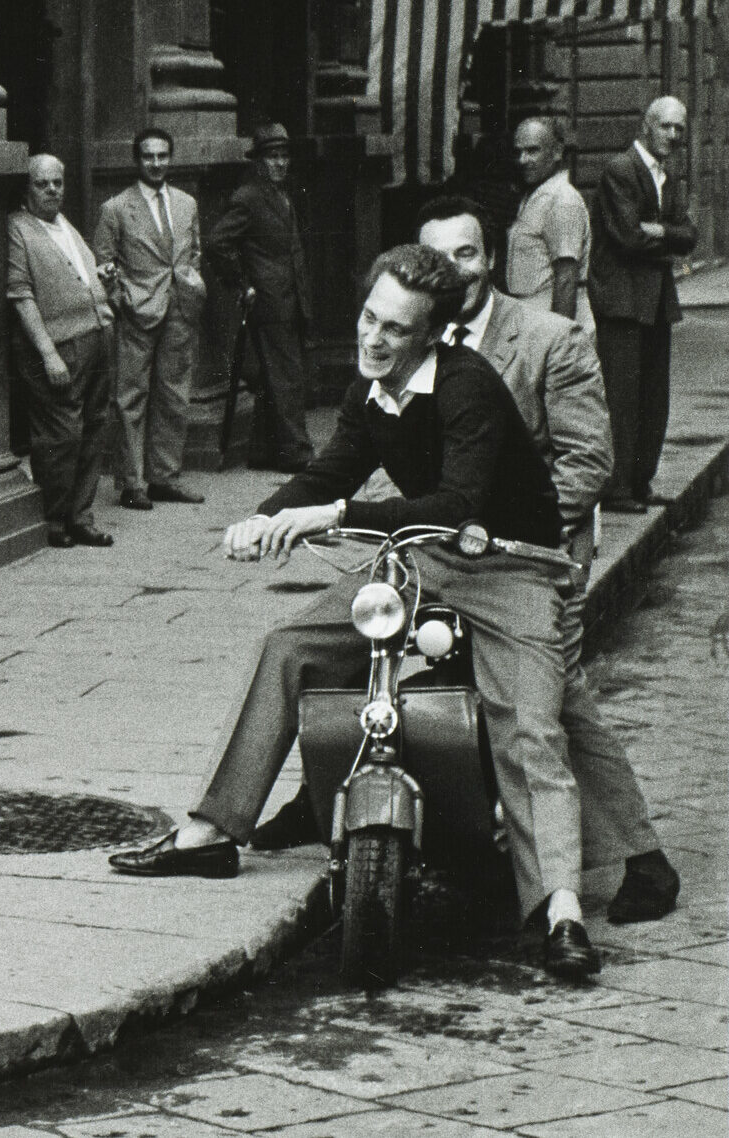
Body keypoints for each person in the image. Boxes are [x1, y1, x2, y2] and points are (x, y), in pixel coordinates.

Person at [109, 244, 604, 981]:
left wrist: (331, 515)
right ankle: (212, 829)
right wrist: (265, 517)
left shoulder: (467, 386)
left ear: (431, 335)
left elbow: (456, 503)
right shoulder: (369, 390)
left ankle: (560, 910)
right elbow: (330, 468)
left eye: (395, 330)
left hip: (510, 566)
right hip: (422, 559)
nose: (374, 338)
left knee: (531, 726)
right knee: (290, 645)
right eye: (370, 319)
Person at [414, 198, 678, 923]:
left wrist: (500, 532)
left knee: (554, 697)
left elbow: (588, 461)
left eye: (466, 255)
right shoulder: (419, 339)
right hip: (456, 551)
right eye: (437, 259)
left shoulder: (548, 337)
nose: (453, 272)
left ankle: (642, 861)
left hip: (539, 552)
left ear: (490, 258)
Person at [585, 95, 695, 514]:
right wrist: (670, 238)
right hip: (623, 301)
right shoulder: (620, 169)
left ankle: (640, 483)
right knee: (622, 397)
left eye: (679, 129)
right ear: (646, 126)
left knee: (654, 397)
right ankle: (616, 490)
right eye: (665, 126)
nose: (673, 135)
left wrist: (661, 233)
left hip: (655, 301)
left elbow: (690, 237)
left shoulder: (669, 176)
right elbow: (628, 236)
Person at [6, 155, 117, 550]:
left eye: (57, 182)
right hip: (59, 346)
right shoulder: (20, 227)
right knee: (60, 435)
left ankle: (80, 516)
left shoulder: (63, 223)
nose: (52, 190)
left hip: (97, 335)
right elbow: (21, 296)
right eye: (42, 184)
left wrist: (99, 279)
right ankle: (54, 519)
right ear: (27, 189)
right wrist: (48, 352)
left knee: (93, 427)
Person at [94, 127, 209, 510]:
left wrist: (190, 285)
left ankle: (165, 477)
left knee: (174, 395)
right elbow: (104, 263)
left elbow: (193, 252)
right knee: (131, 398)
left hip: (179, 310)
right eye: (148, 156)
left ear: (170, 158)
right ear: (137, 160)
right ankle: (132, 483)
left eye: (162, 156)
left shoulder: (186, 203)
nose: (156, 163)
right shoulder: (116, 208)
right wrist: (122, 299)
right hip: (137, 313)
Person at [210, 122, 316, 472]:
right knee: (286, 376)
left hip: (289, 297)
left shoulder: (282, 194)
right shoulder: (249, 197)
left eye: (284, 156)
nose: (280, 163)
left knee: (277, 376)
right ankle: (297, 453)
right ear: (258, 161)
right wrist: (242, 284)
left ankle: (264, 451)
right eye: (273, 157)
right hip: (269, 301)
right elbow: (217, 243)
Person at [508, 116, 594, 335]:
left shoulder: (562, 200)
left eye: (533, 151)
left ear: (557, 152)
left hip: (549, 320)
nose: (523, 159)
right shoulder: (537, 193)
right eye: (518, 152)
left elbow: (566, 278)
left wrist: (558, 340)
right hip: (531, 317)